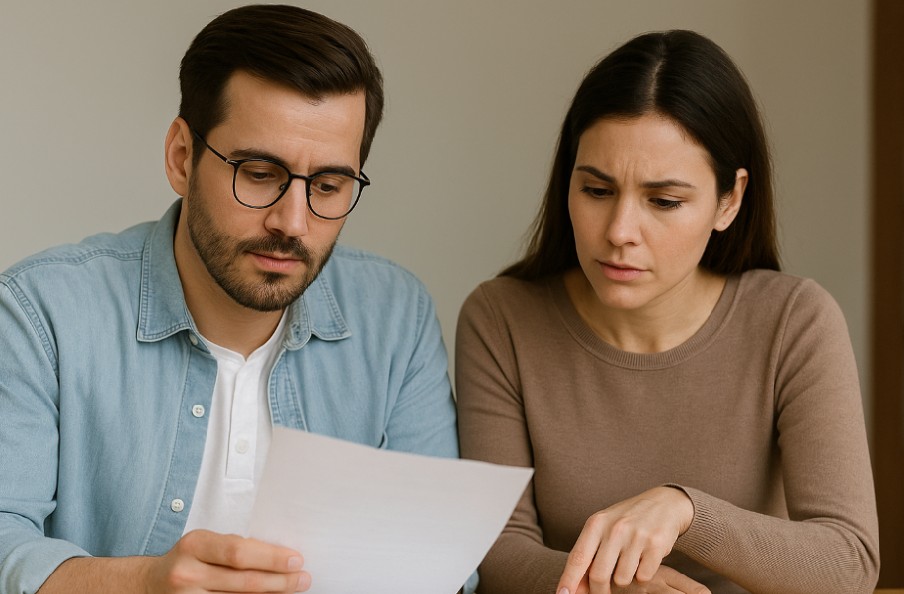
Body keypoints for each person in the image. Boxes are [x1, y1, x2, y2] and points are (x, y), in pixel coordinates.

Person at [0, 5, 468, 594]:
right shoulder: (41, 313)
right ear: (181, 158)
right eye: (259, 173)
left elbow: (440, 557)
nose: (292, 222)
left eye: (328, 185)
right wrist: (143, 585)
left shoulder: (396, 318)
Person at [455, 29, 879, 594]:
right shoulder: (501, 319)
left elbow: (848, 562)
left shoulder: (794, 321)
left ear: (728, 200)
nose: (620, 233)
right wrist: (613, 588)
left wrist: (686, 512)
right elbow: (498, 553)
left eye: (664, 202)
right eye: (597, 191)